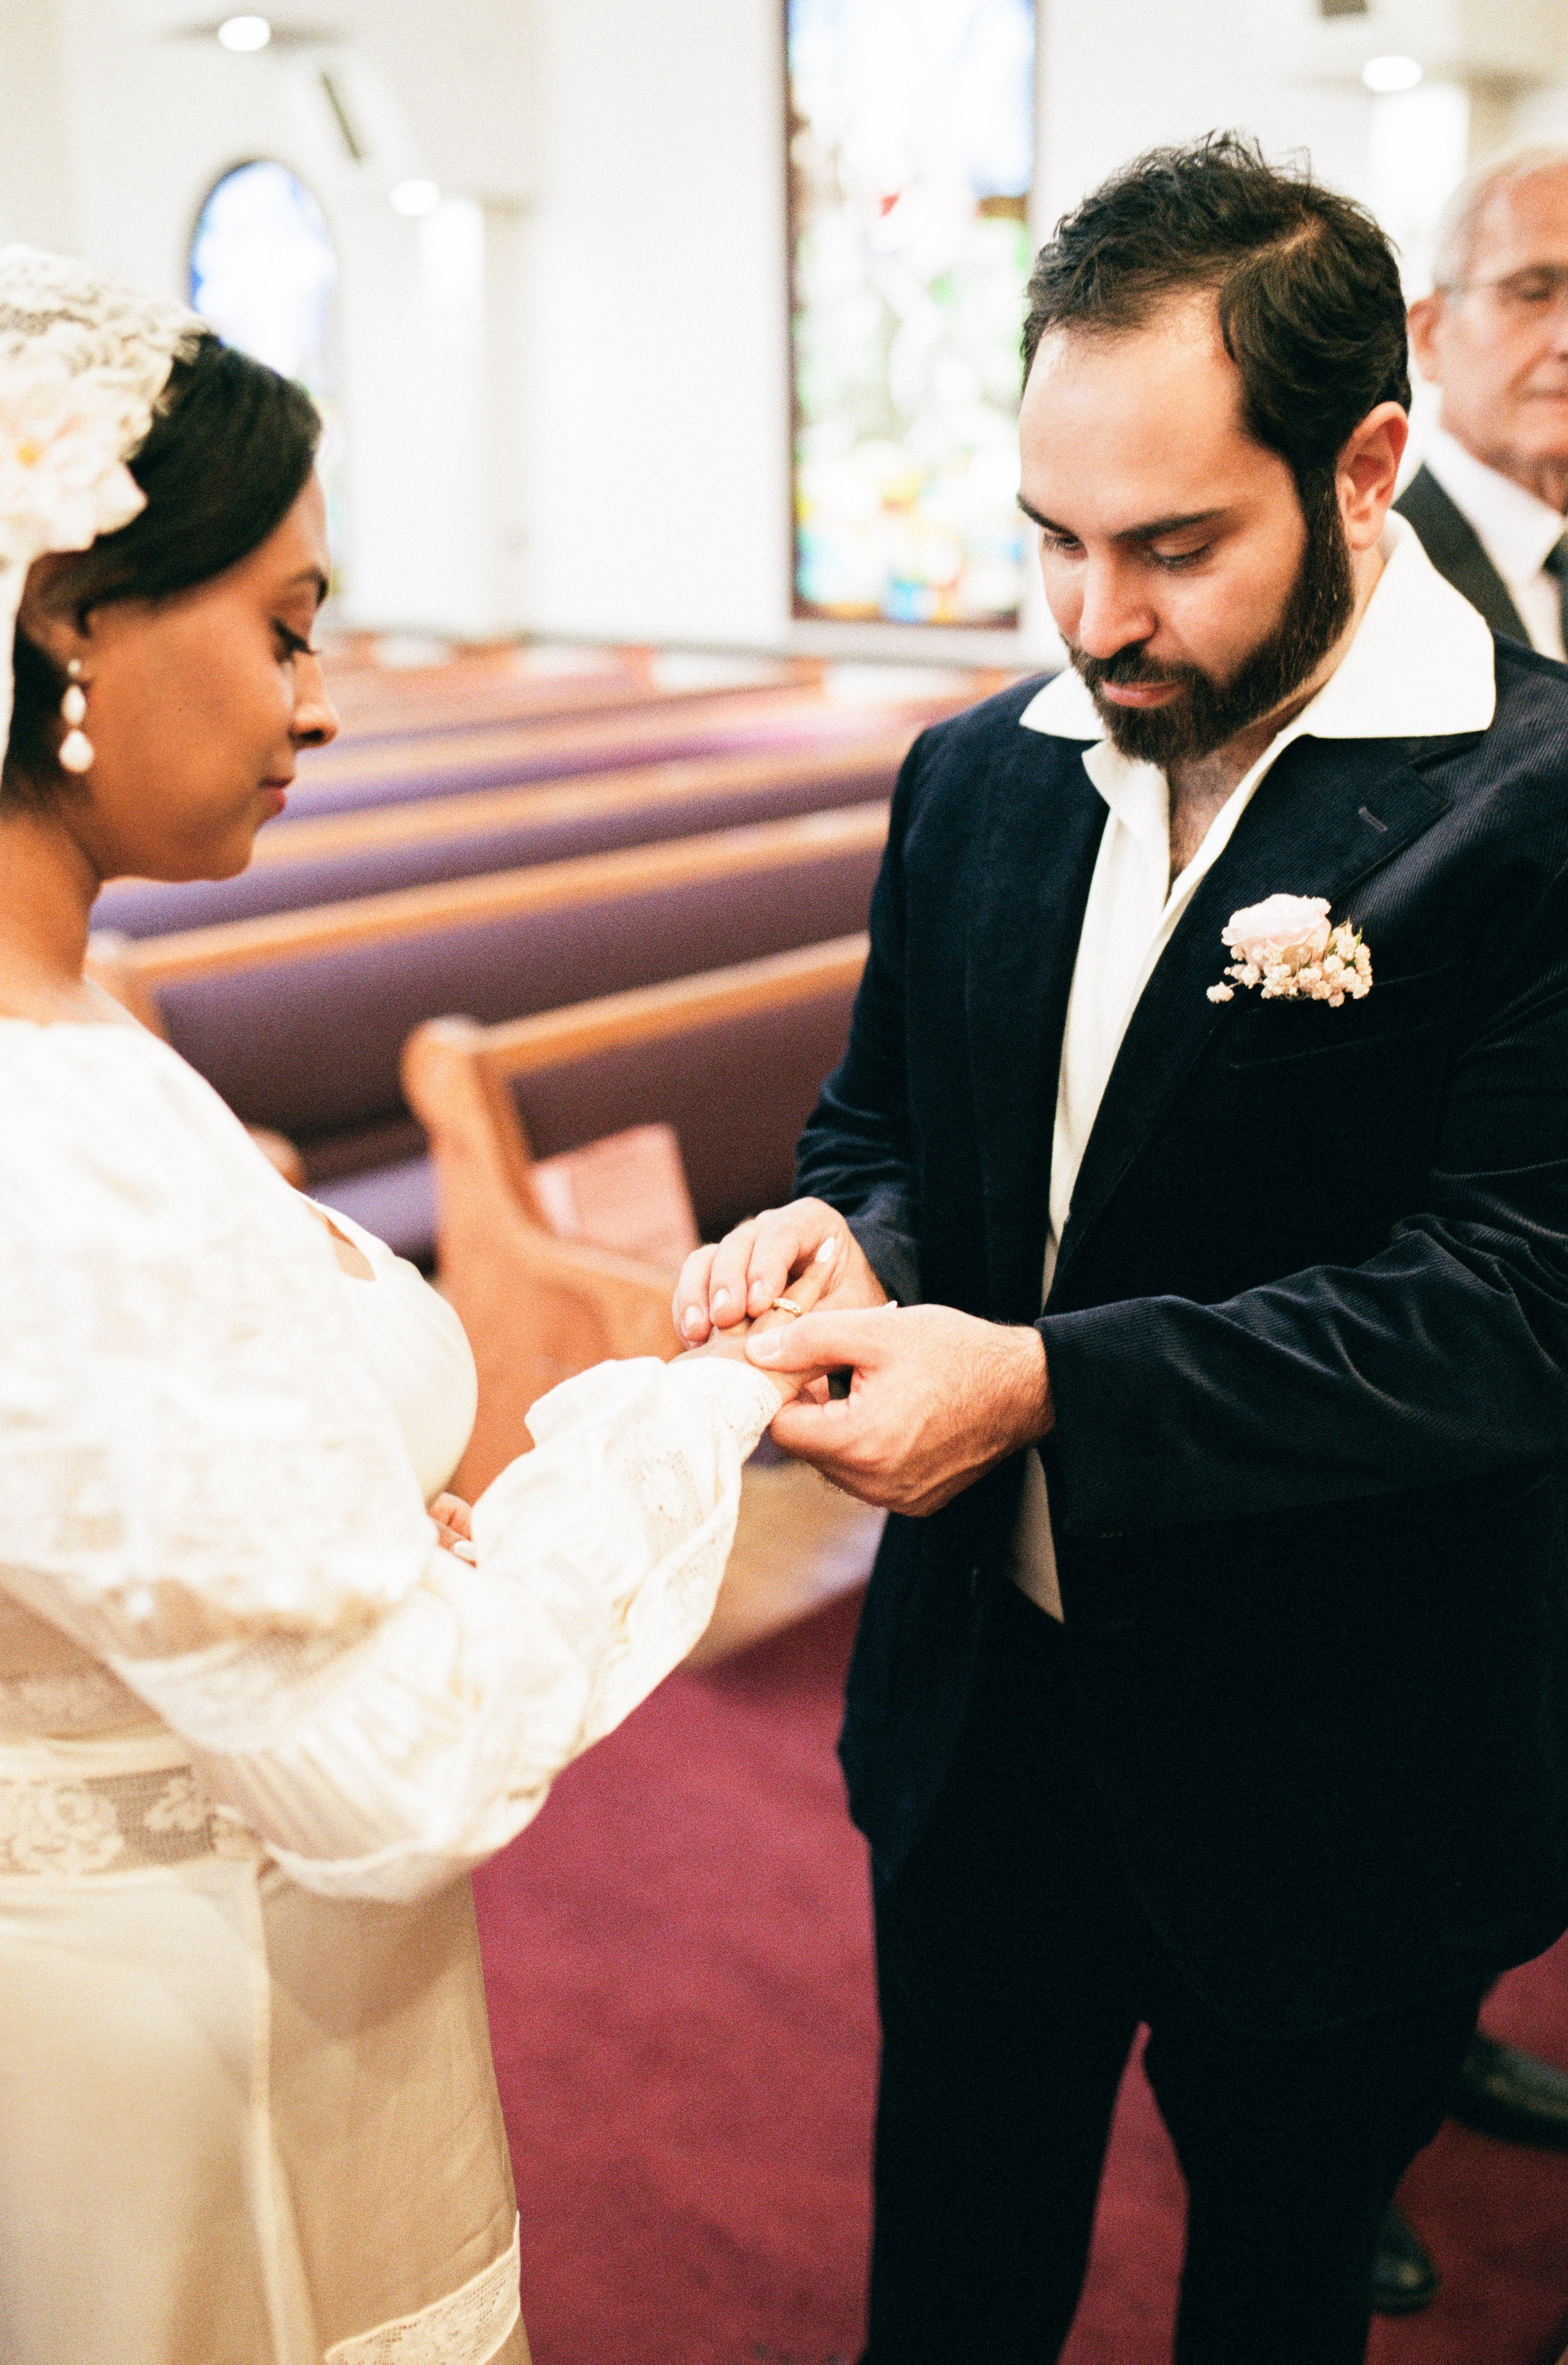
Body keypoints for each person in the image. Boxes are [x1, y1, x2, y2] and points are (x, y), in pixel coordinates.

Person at [676, 135, 1568, 2365]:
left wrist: (1050, 1382)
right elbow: (890, 1123)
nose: (1096, 622)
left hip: (1343, 1747)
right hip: (992, 1722)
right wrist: (840, 1243)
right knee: (950, 2290)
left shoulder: (1527, 809)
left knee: (1277, 2299)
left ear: (1367, 467)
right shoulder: (981, 774)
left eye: (1174, 547)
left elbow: (1515, 1301)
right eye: (1055, 542)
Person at [0, 246, 810, 2365]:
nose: (319, 698)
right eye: (280, 626)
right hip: (169, 2039)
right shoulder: (47, 1141)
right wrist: (686, 1409)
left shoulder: (71, 1033)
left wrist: (343, 1543)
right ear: (69, 623)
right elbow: (392, 1766)